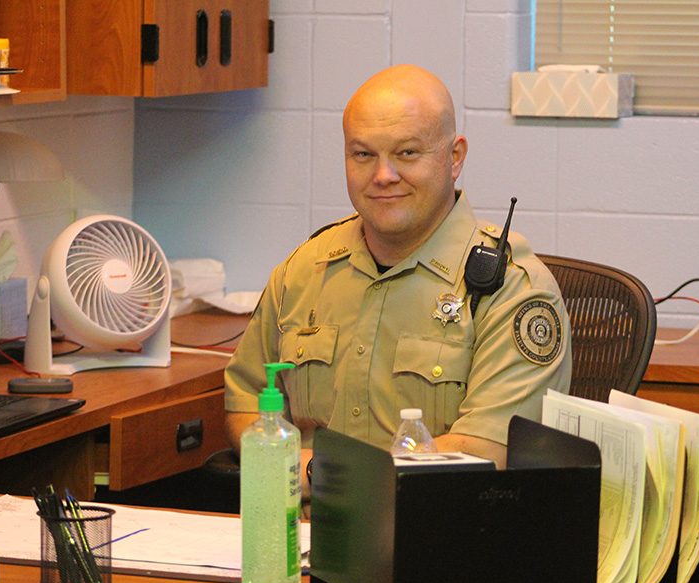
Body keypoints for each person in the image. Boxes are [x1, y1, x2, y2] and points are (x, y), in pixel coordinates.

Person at [224, 64, 572, 496]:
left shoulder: (513, 289)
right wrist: (282, 462)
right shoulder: (305, 269)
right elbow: (246, 404)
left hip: (435, 538)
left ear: (454, 157)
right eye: (363, 154)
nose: (383, 175)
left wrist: (317, 474)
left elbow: (481, 451)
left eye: (407, 153)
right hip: (302, 532)